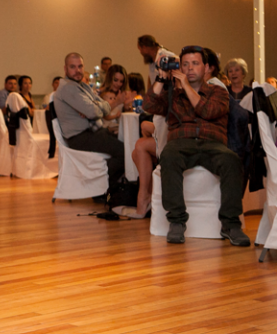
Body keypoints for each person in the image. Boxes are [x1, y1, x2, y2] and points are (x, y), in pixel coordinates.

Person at [143, 45, 250, 246]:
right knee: (169, 155)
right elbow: (148, 106)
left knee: (231, 161)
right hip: (181, 143)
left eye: (195, 64)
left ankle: (231, 224)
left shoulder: (218, 91)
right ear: (179, 68)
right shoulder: (172, 93)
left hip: (212, 144)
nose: (190, 68)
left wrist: (186, 87)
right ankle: (176, 221)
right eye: (185, 64)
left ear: (206, 67)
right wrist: (161, 79)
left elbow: (207, 111)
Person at [54, 52, 128, 191]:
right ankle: (103, 189)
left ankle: (108, 185)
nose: (77, 70)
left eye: (80, 66)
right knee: (124, 151)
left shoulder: (81, 86)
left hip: (92, 132)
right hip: (80, 137)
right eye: (73, 67)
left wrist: (95, 107)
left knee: (127, 142)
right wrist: (94, 109)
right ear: (65, 69)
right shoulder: (68, 87)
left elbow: (101, 107)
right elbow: (93, 112)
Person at [224, 57, 252, 194]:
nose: (233, 73)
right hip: (228, 134)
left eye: (237, 70)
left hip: (246, 134)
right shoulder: (224, 92)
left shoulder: (251, 93)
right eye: (230, 71)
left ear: (243, 73)